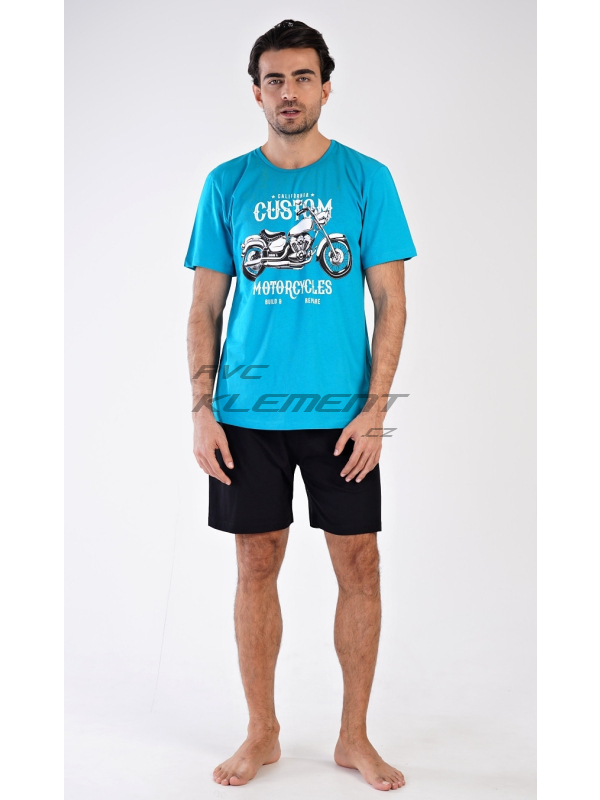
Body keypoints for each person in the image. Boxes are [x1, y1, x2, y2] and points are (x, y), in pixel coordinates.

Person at [184, 19, 417, 792]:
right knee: (255, 565)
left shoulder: (366, 179)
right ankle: (263, 732)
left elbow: (391, 301)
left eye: (303, 77)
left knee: (361, 565)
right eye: (275, 80)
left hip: (341, 416)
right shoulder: (227, 184)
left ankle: (353, 736)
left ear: (326, 86)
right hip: (246, 415)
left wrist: (375, 409)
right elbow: (204, 306)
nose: (289, 92)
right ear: (256, 92)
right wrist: (201, 409)